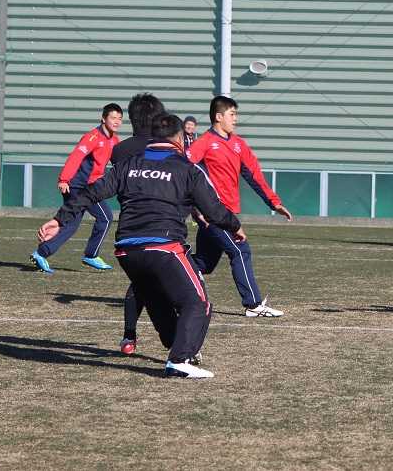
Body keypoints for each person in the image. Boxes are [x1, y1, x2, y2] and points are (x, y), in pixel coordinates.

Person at [38, 113, 244, 379]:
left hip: (126, 250)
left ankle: (178, 348)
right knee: (198, 303)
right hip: (164, 246)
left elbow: (92, 192)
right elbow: (214, 210)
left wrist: (59, 219)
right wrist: (235, 225)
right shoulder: (187, 168)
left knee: (158, 301)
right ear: (180, 138)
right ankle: (180, 359)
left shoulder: (128, 165)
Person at [186, 95, 292, 317]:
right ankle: (253, 305)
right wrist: (195, 208)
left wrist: (274, 202)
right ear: (218, 117)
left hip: (228, 213)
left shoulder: (238, 144)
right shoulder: (203, 143)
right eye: (232, 114)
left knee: (204, 264)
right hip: (214, 212)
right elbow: (184, 173)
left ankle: (164, 274)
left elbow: (254, 176)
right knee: (240, 250)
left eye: (236, 114)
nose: (236, 118)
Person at [30, 103, 122, 274]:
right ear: (103, 119)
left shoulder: (114, 140)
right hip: (79, 187)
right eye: (113, 117)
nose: (117, 121)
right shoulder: (92, 137)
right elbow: (76, 157)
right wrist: (64, 179)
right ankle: (91, 255)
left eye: (120, 118)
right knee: (105, 218)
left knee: (72, 224)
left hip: (91, 188)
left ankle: (41, 253)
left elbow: (120, 161)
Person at [109, 92, 167, 355]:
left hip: (129, 226)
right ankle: (181, 342)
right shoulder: (164, 149)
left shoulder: (119, 150)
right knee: (177, 287)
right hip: (162, 227)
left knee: (140, 282)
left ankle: (128, 336)